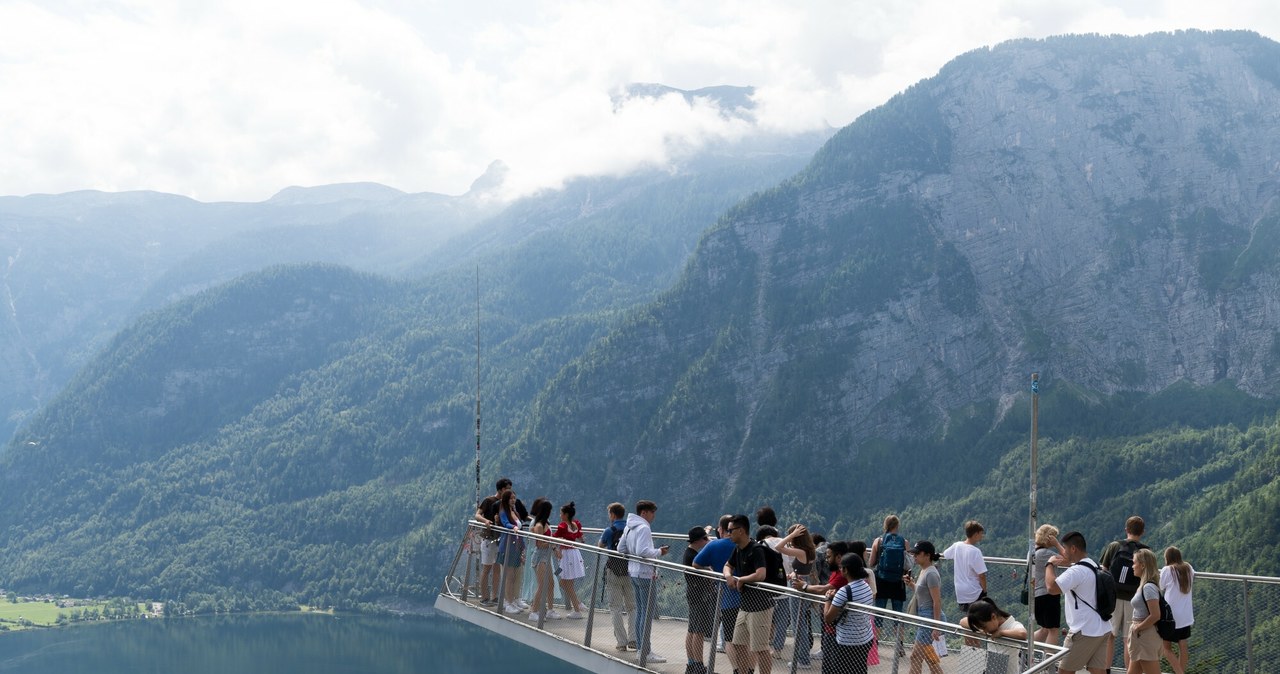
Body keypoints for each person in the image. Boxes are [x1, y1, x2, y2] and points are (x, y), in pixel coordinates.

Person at [1045, 531, 1112, 674]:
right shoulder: (1095, 566)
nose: (1064, 553)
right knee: (1097, 671)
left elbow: (1052, 588)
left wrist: (1049, 564)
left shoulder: (1076, 571)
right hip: (1103, 627)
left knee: (1064, 671)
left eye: (1065, 549)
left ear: (1073, 549)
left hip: (1083, 630)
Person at [621, 499, 671, 663]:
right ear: (644, 513)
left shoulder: (629, 527)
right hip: (645, 573)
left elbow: (620, 549)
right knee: (646, 613)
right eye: (652, 512)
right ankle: (645, 651)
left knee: (640, 612)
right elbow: (643, 551)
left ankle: (640, 649)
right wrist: (659, 552)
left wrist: (633, 555)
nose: (653, 516)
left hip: (633, 572)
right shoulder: (643, 528)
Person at [724, 514, 775, 674]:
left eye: (730, 530)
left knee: (761, 648)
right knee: (738, 644)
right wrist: (728, 576)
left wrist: (742, 580)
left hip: (760, 607)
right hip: (745, 606)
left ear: (741, 530)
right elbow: (727, 565)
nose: (728, 533)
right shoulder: (738, 549)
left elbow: (761, 574)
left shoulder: (756, 550)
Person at [1098, 516, 1149, 670]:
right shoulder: (1145, 551)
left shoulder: (1114, 546)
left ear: (1126, 529)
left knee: (1109, 636)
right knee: (1129, 639)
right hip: (1134, 599)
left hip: (1113, 597)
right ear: (1142, 532)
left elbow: (1103, 570)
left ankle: (1105, 670)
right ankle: (1129, 671)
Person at [694, 515, 742, 670]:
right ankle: (746, 670)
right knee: (745, 641)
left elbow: (696, 563)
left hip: (726, 598)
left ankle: (736, 669)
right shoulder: (745, 544)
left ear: (721, 529)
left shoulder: (714, 546)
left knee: (729, 640)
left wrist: (712, 572)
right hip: (748, 598)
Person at [794, 541, 851, 667]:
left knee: (834, 666)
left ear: (839, 557)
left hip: (837, 629)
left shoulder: (842, 575)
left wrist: (804, 587)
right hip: (832, 628)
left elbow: (824, 589)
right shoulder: (836, 572)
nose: (826, 560)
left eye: (829, 556)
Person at [822, 553, 875, 674]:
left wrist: (828, 599)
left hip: (847, 642)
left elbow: (828, 618)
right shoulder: (866, 586)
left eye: (841, 568)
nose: (840, 570)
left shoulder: (844, 591)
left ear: (845, 570)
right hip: (865, 638)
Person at [599, 502, 636, 651]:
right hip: (630, 571)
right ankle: (634, 639)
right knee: (633, 607)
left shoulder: (609, 530)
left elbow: (600, 545)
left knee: (615, 607)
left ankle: (621, 642)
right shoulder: (631, 529)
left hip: (613, 571)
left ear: (613, 515)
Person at [904, 541, 945, 674]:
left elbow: (937, 601)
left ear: (927, 555)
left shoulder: (931, 574)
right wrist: (912, 585)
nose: (914, 556)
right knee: (930, 659)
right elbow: (924, 593)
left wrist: (936, 627)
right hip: (927, 617)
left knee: (915, 656)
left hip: (930, 618)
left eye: (917, 553)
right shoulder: (924, 571)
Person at [781, 524, 818, 668]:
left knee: (798, 624)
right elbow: (805, 569)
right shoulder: (810, 549)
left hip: (798, 586)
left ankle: (803, 660)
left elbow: (779, 547)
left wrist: (791, 535)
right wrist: (793, 574)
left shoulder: (801, 551)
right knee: (801, 622)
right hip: (803, 581)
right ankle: (803, 656)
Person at [960, 598, 1028, 674]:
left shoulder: (1012, 625)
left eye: (984, 627)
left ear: (993, 617)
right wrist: (980, 630)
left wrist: (1002, 633)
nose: (985, 631)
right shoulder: (988, 628)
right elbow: (962, 621)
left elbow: (1023, 633)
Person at [474, 478, 512, 605]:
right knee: (487, 569)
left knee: (496, 569)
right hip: (489, 539)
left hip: (500, 540)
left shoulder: (505, 503)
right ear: (501, 490)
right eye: (508, 489)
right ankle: (484, 597)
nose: (509, 492)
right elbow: (477, 515)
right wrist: (485, 521)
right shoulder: (489, 501)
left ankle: (494, 597)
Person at [1125, 548, 1163, 674]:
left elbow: (1155, 615)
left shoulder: (1148, 588)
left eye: (1134, 562)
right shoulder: (1145, 585)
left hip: (1145, 635)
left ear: (1142, 565)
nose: (1132, 566)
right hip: (1141, 635)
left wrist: (1138, 628)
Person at [684, 526, 714, 674]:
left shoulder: (690, 551)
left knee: (692, 629)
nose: (707, 541)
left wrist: (706, 530)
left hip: (693, 594)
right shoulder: (693, 557)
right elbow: (704, 572)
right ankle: (699, 665)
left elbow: (702, 538)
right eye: (705, 539)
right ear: (698, 541)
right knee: (699, 631)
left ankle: (691, 663)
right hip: (699, 595)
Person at [1159, 546, 1193, 674]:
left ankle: (1179, 672)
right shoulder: (1188, 568)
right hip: (1185, 615)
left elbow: (1161, 586)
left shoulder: (1167, 570)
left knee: (1166, 647)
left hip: (1170, 616)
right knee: (1183, 646)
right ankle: (1181, 671)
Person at [942, 520, 988, 613]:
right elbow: (981, 575)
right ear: (975, 534)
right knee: (980, 616)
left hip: (960, 591)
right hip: (974, 591)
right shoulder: (975, 552)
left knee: (970, 615)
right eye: (981, 534)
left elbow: (945, 554)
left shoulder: (957, 545)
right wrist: (984, 591)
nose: (982, 536)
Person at [527, 499, 561, 622]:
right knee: (542, 585)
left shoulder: (545, 524)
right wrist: (554, 542)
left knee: (550, 583)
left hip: (546, 557)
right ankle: (533, 611)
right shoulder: (539, 526)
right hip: (540, 557)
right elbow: (540, 543)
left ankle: (549, 610)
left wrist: (554, 547)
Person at [869, 515, 910, 616]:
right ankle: (898, 631)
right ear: (897, 525)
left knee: (879, 615)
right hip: (898, 581)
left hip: (881, 580)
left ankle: (878, 632)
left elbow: (871, 563)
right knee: (898, 616)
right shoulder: (904, 542)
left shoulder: (879, 541)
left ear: (885, 525)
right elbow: (908, 564)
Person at [1033, 524, 1066, 645]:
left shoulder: (1032, 552)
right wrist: (1057, 544)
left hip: (1037, 594)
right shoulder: (1046, 554)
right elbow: (1068, 560)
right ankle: (1049, 662)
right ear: (1049, 538)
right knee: (1053, 630)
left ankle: (1024, 650)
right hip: (1048, 594)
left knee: (1045, 629)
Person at [552, 501, 586, 618]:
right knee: (565, 582)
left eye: (561, 513)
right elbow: (581, 538)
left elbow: (553, 538)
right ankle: (578, 604)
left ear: (566, 514)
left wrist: (555, 549)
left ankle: (577, 610)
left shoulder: (562, 526)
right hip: (574, 553)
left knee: (565, 582)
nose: (560, 515)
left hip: (566, 555)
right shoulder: (576, 524)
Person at [495, 488, 526, 614]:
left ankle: (512, 600)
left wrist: (522, 546)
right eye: (511, 498)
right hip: (507, 546)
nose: (513, 500)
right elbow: (505, 523)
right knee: (509, 576)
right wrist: (513, 527)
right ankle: (507, 603)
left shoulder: (515, 512)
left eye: (514, 498)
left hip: (516, 546)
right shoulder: (504, 512)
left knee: (513, 576)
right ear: (506, 500)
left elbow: (521, 530)